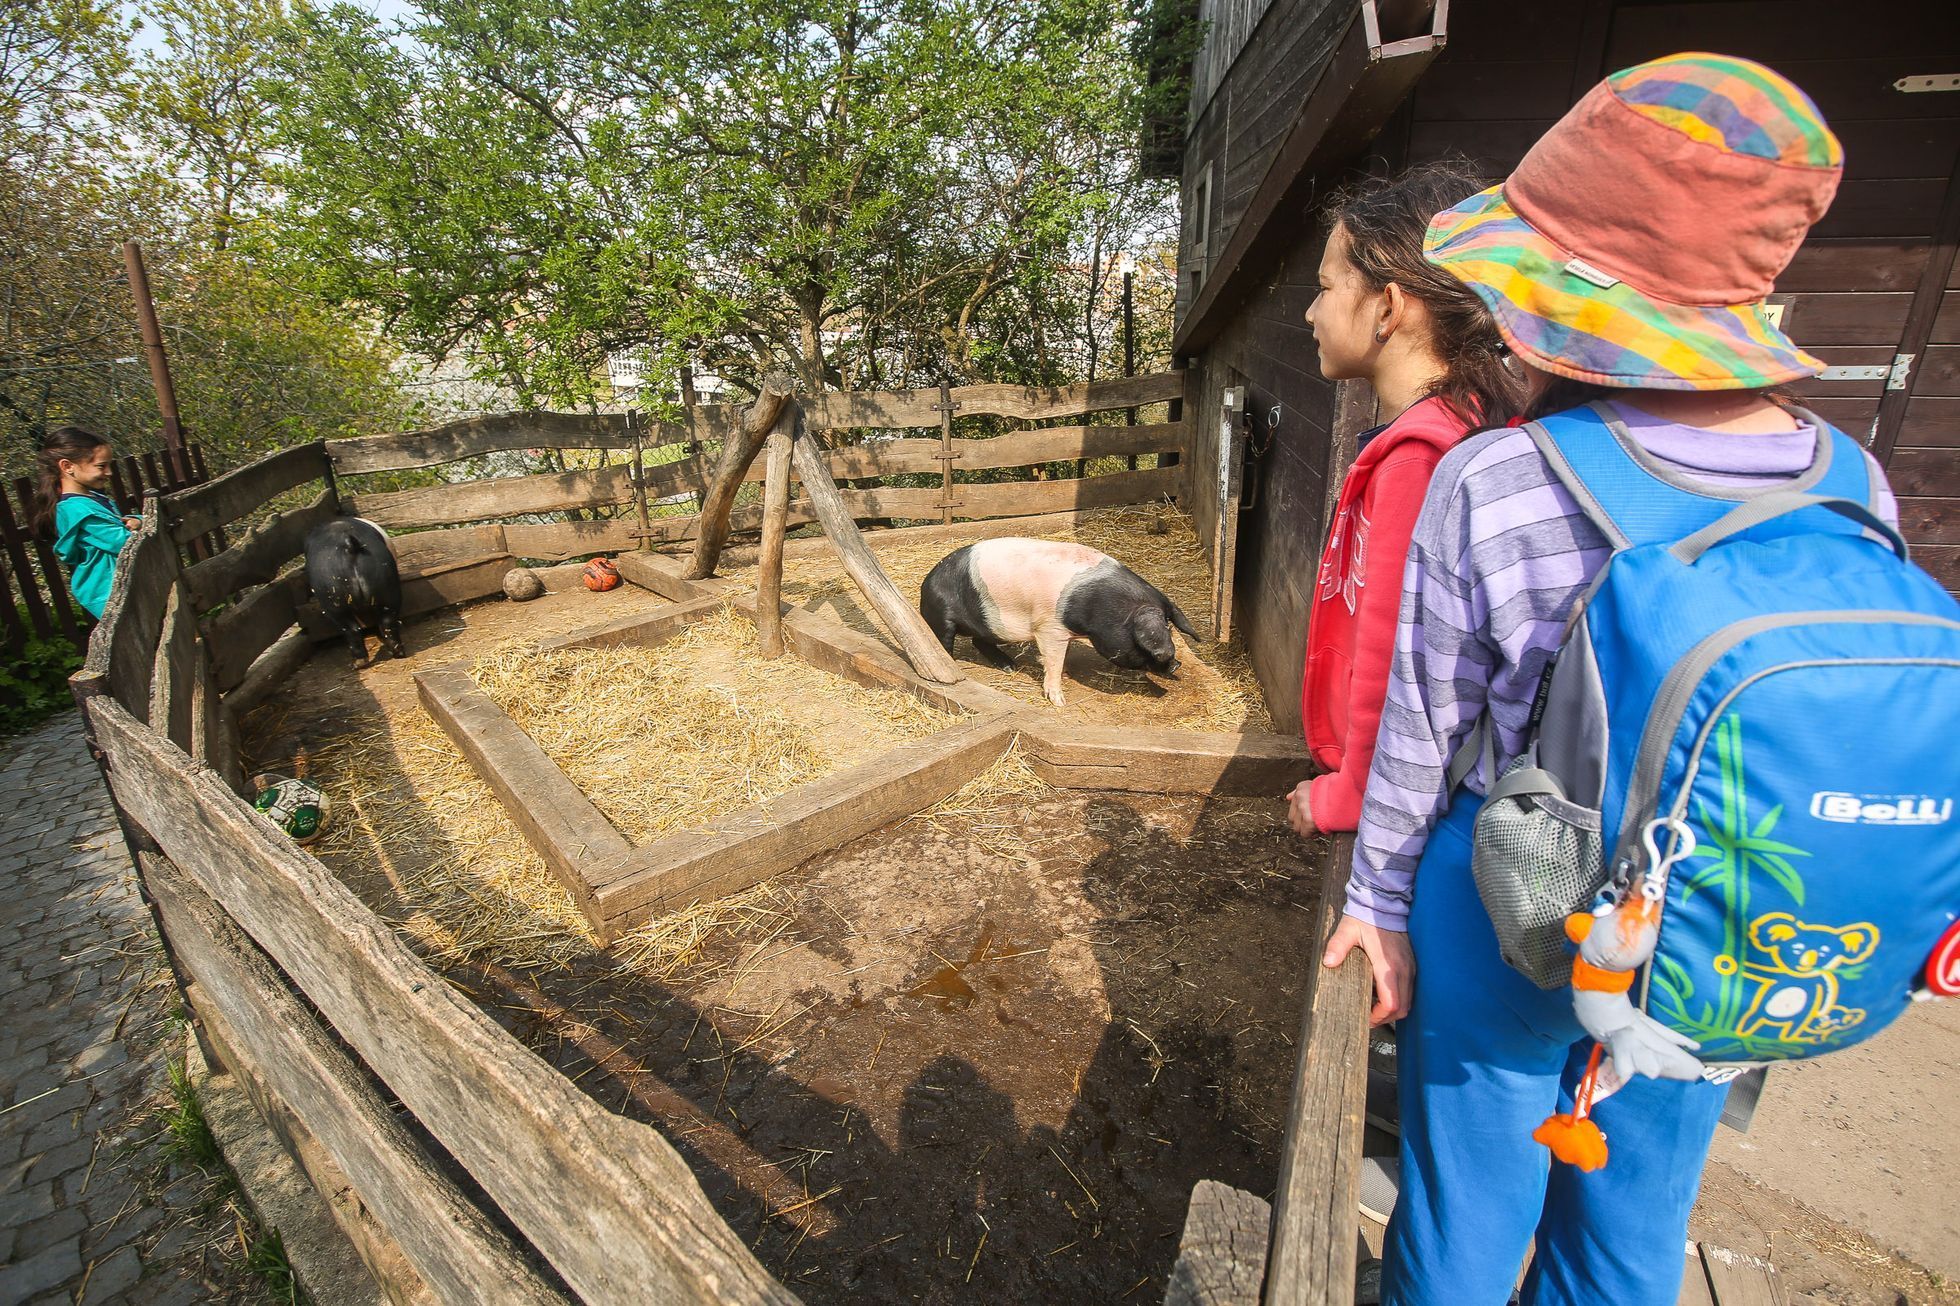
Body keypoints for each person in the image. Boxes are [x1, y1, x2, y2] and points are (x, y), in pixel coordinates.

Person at [1320, 54, 1898, 1305]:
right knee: (1631, 1235)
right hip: (1713, 911)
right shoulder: (1853, 478)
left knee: (1462, 1220)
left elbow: (1424, 730)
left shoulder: (1498, 477)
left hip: (1509, 902)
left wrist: (1373, 903)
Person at [1287, 162, 1524, 879]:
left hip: (1406, 807)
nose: (1311, 313)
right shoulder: (1468, 421)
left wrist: (1353, 791)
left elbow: (1396, 653)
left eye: (1326, 287)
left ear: (1388, 307)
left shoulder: (1421, 457)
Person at [33, 426, 139, 619]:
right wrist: (143, 524)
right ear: (67, 466)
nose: (109, 472)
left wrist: (138, 521)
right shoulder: (77, 511)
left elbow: (122, 524)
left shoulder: (93, 500)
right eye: (101, 466)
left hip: (127, 587)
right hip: (110, 593)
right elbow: (124, 542)